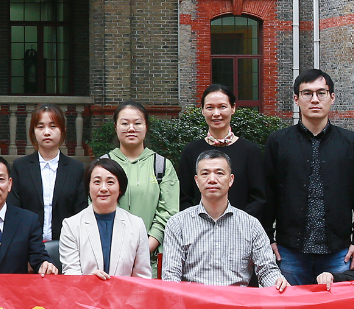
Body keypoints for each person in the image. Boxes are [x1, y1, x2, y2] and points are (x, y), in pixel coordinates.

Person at [263, 69, 354, 285]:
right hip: (289, 251)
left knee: (335, 306)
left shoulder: (350, 142)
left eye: (321, 93)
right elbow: (267, 193)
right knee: (291, 305)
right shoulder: (279, 142)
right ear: (296, 99)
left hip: (338, 251)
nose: (315, 99)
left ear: (332, 97)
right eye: (307, 93)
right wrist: (269, 238)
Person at [162, 148, 288, 290]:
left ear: (231, 180)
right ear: (197, 181)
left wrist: (278, 282)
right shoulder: (178, 224)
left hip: (237, 302)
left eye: (219, 173)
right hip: (192, 302)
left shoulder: (251, 225)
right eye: (205, 174)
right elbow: (171, 277)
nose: (212, 179)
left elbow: (267, 271)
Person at [103, 101, 178, 258]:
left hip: (150, 260)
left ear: (146, 126)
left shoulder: (161, 165)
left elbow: (168, 213)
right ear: (116, 127)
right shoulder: (103, 165)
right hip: (110, 256)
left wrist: (145, 248)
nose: (131, 128)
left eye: (137, 123)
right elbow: (96, 209)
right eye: (125, 123)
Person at [178, 84, 266, 218]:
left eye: (222, 107)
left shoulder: (250, 151)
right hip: (199, 227)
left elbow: (258, 198)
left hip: (241, 226)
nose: (216, 113)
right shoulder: (191, 151)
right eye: (210, 107)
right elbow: (184, 197)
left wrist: (238, 223)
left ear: (233, 108)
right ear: (202, 110)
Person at [59, 158, 152, 278]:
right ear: (88, 187)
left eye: (110, 182)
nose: (103, 188)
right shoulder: (71, 225)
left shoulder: (136, 225)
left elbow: (142, 276)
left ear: (120, 188)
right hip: (84, 289)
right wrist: (88, 280)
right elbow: (71, 273)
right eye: (97, 182)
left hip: (124, 290)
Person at [11, 104, 86, 246]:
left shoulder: (76, 169)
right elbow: (14, 209)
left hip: (66, 246)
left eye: (53, 126)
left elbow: (80, 212)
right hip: (27, 246)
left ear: (62, 131)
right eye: (40, 127)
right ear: (33, 132)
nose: (46, 132)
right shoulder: (20, 167)